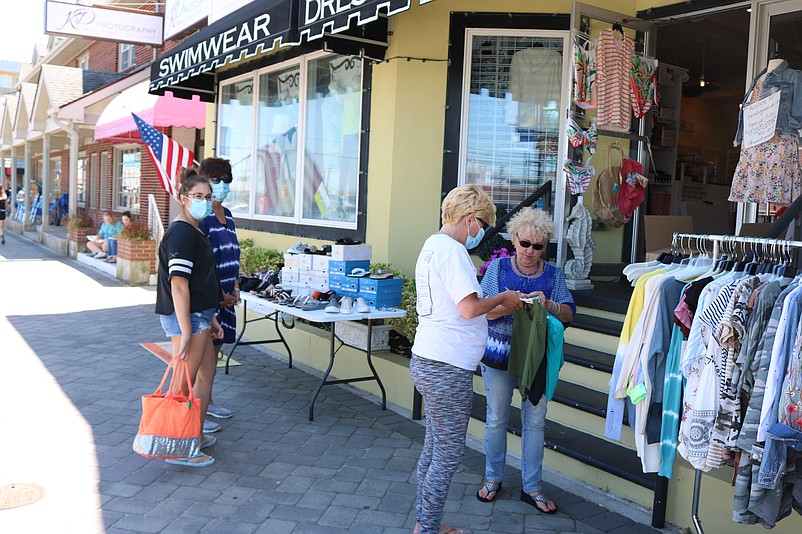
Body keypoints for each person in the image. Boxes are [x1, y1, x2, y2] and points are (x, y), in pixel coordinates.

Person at [410, 184, 523, 534]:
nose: (481, 235)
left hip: (428, 358)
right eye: (482, 227)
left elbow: (461, 309)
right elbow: (470, 307)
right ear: (470, 219)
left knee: (433, 448)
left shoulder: (432, 245)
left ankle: (424, 523)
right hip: (447, 367)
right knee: (448, 454)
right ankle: (427, 529)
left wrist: (498, 305)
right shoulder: (454, 252)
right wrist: (503, 295)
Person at [475, 207, 575, 513]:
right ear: (514, 238)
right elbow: (485, 311)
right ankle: (493, 478)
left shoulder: (553, 274)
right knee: (496, 420)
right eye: (524, 244)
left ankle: (532, 487)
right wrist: (510, 303)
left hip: (537, 357)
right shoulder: (498, 269)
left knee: (535, 423)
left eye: (538, 246)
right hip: (498, 353)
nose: (530, 251)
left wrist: (550, 305)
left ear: (545, 245)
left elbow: (570, 313)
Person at [155, 171, 224, 467]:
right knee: (184, 384)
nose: (204, 202)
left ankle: (193, 434)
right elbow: (179, 284)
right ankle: (178, 447)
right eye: (198, 197)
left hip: (199, 317)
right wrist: (186, 330)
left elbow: (197, 282)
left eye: (208, 197)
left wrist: (210, 318)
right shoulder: (182, 232)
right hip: (188, 320)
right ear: (183, 199)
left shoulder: (195, 230)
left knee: (206, 376)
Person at [197, 158, 239, 425]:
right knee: (205, 361)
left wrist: (234, 287)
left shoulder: (229, 215)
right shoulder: (202, 217)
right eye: (216, 180)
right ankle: (197, 411)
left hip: (228, 298)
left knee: (216, 353)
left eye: (226, 179)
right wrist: (218, 295)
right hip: (211, 300)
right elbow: (204, 261)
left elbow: (234, 253)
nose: (222, 185)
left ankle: (207, 402)